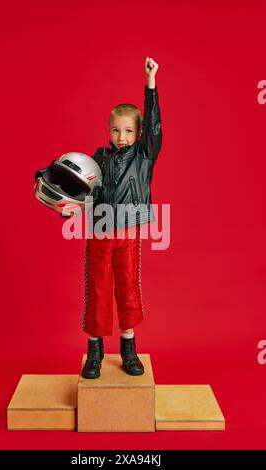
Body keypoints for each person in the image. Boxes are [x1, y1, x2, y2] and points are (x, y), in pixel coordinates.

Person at [81, 56, 163, 379]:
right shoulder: (99, 157)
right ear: (108, 130)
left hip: (128, 229)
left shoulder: (144, 155)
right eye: (115, 129)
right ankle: (95, 351)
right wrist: (71, 206)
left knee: (128, 287)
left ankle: (128, 348)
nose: (121, 136)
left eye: (128, 130)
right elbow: (84, 188)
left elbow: (155, 125)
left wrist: (151, 84)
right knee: (97, 288)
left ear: (139, 132)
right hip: (99, 230)